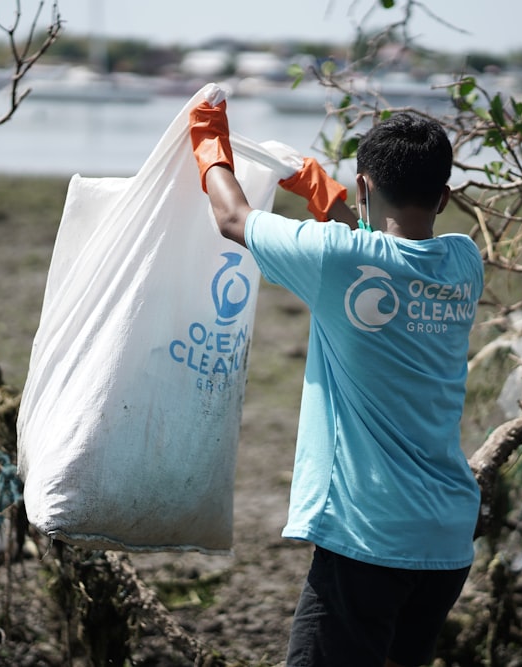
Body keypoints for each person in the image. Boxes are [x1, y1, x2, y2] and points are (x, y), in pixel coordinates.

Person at [188, 87, 483, 667]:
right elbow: (378, 251)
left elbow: (232, 218)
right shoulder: (464, 262)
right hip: (446, 542)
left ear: (367, 185)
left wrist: (207, 142)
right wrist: (333, 202)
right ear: (445, 197)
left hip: (370, 536)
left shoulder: (339, 259)